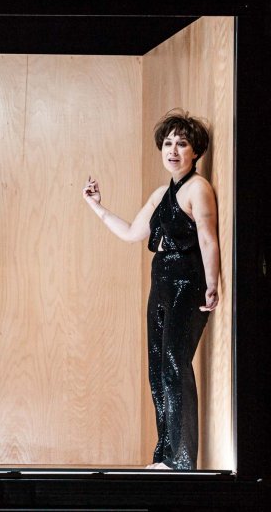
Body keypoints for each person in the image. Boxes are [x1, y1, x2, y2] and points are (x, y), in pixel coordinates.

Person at [82, 109, 220, 470]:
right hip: (160, 285)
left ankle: (182, 461)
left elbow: (208, 238)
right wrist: (96, 207)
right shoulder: (162, 193)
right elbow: (132, 233)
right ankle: (165, 455)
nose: (173, 150)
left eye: (182, 143)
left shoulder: (198, 188)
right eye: (168, 143)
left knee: (175, 364)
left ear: (195, 151)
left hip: (187, 283)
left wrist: (213, 284)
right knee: (157, 370)